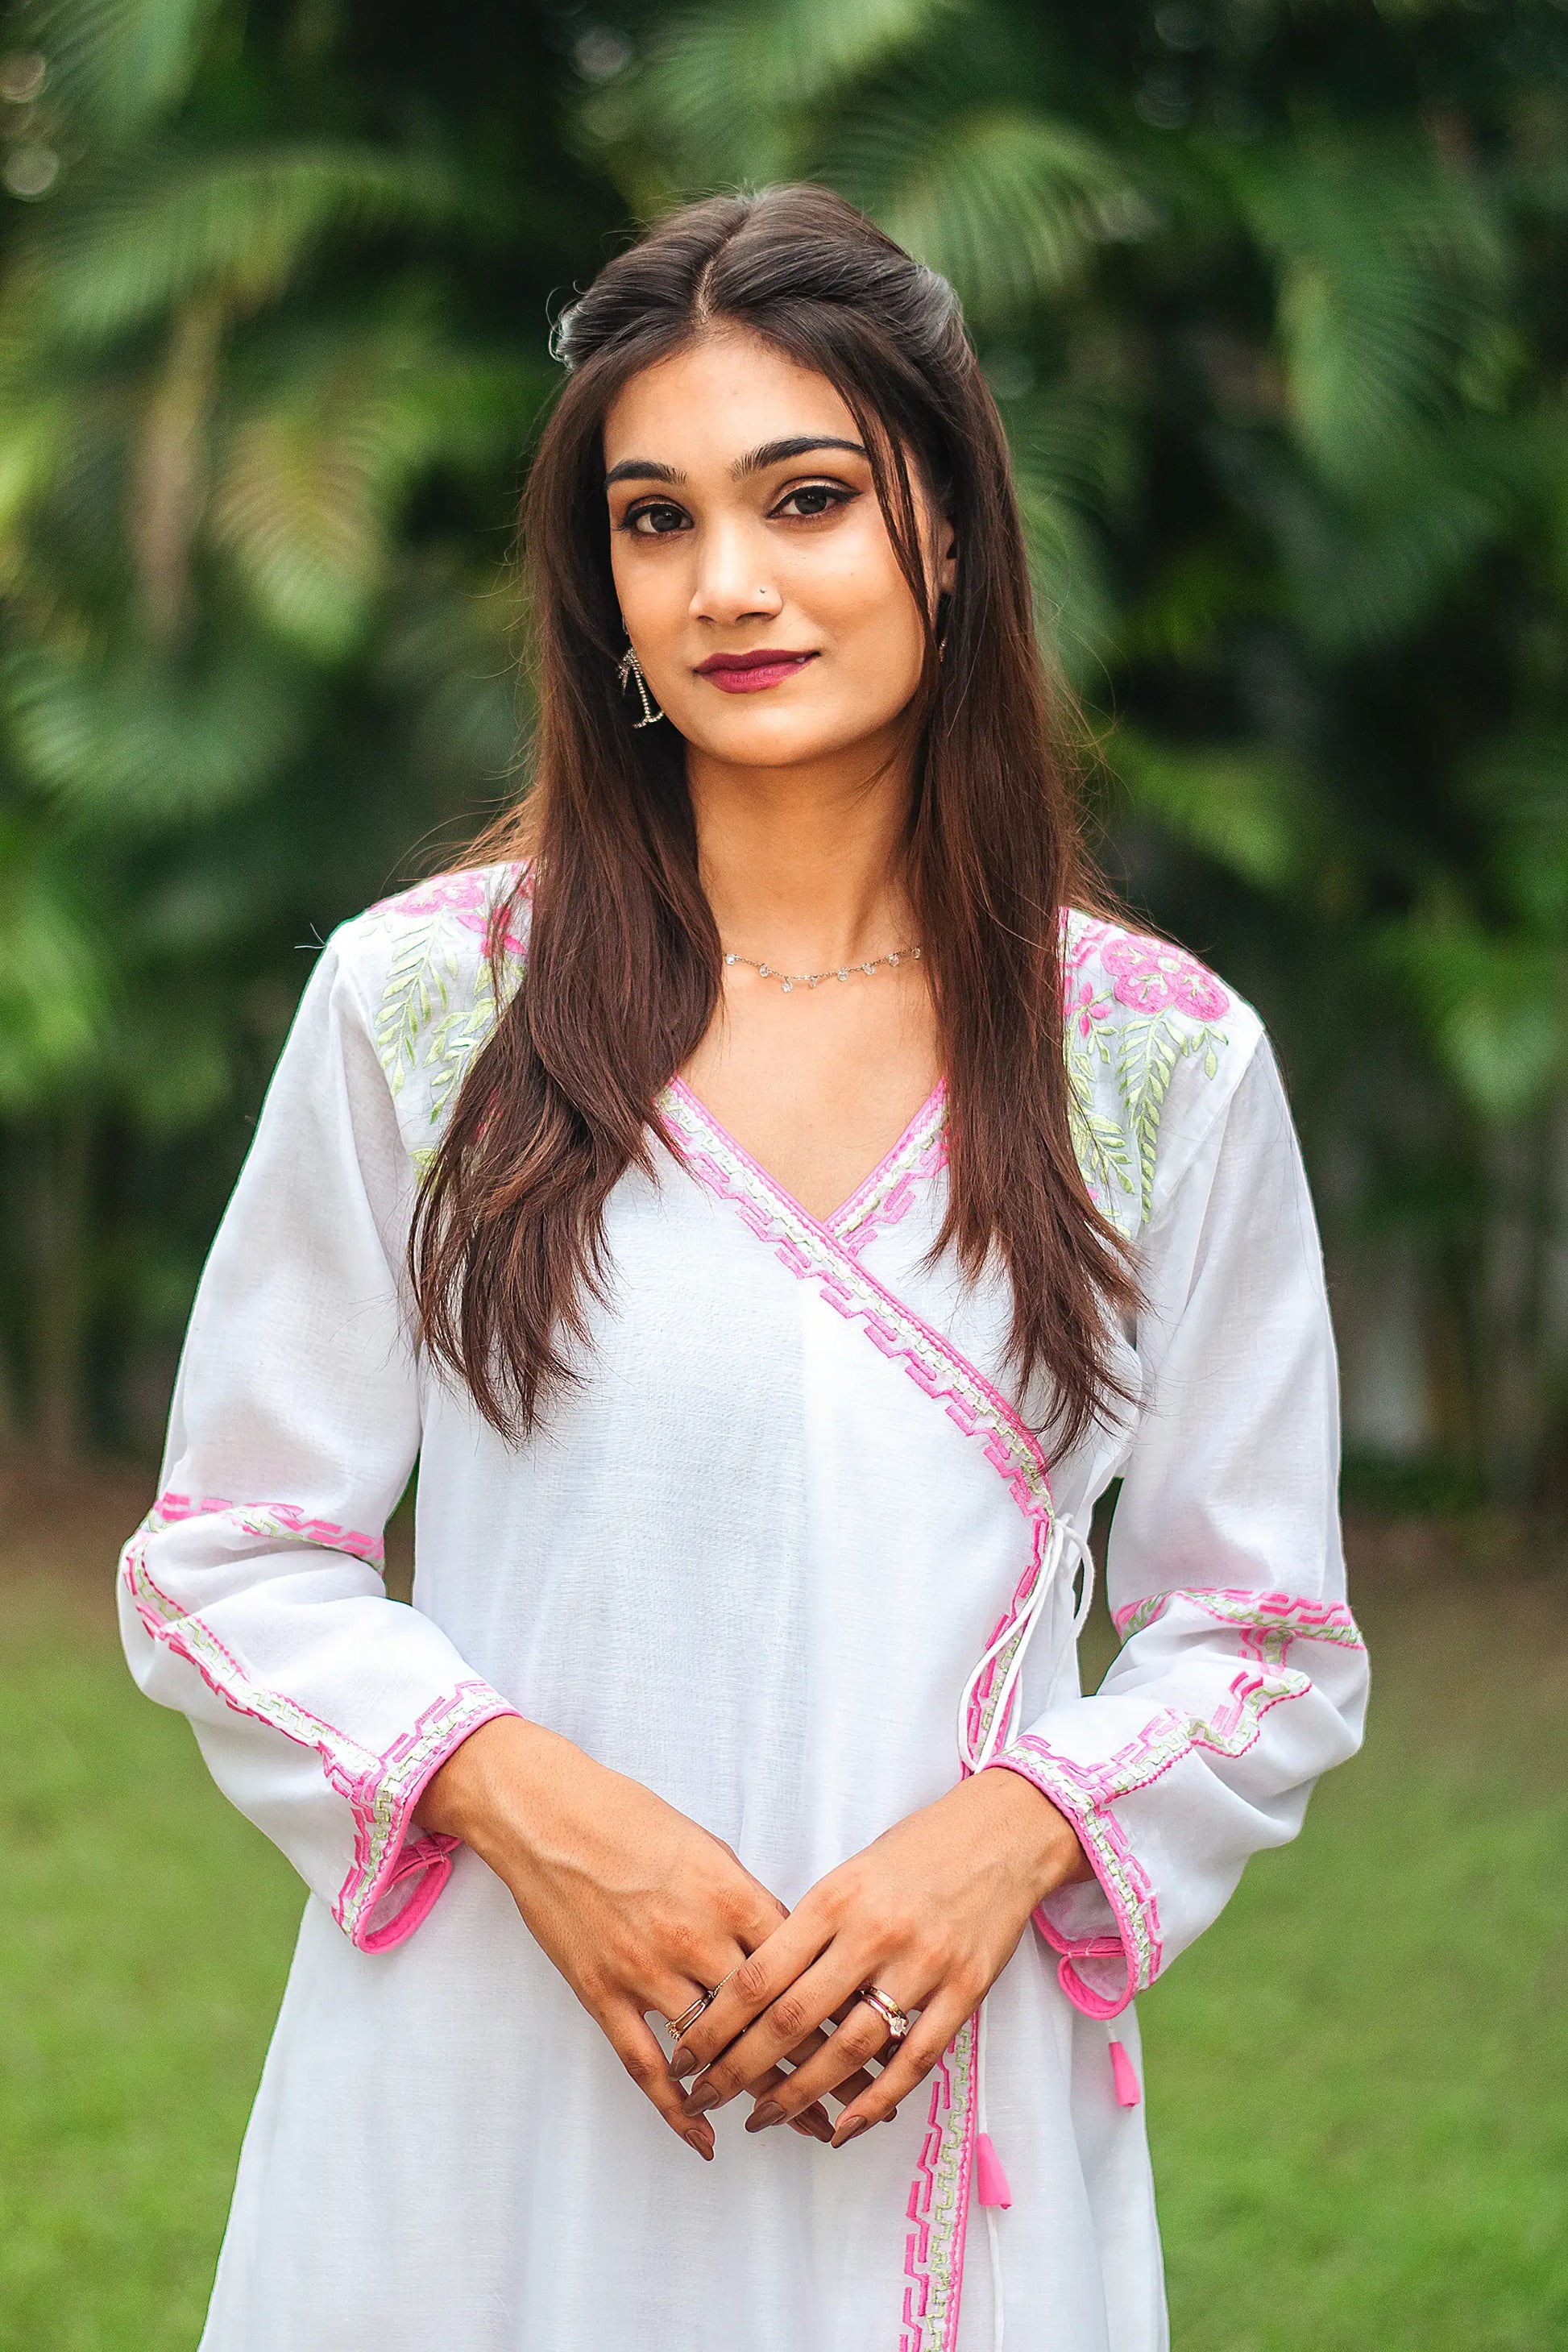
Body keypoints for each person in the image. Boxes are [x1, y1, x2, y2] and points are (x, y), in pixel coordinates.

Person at [118, 184, 1367, 2352]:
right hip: (477, 2110)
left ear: (949, 529)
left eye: (805, 498)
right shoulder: (431, 1011)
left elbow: (1257, 1632)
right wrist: (531, 1803)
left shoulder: (1155, 1065)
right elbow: (230, 1554)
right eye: (654, 520)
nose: (730, 585)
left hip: (947, 2123)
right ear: (596, 581)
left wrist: (1007, 1835)